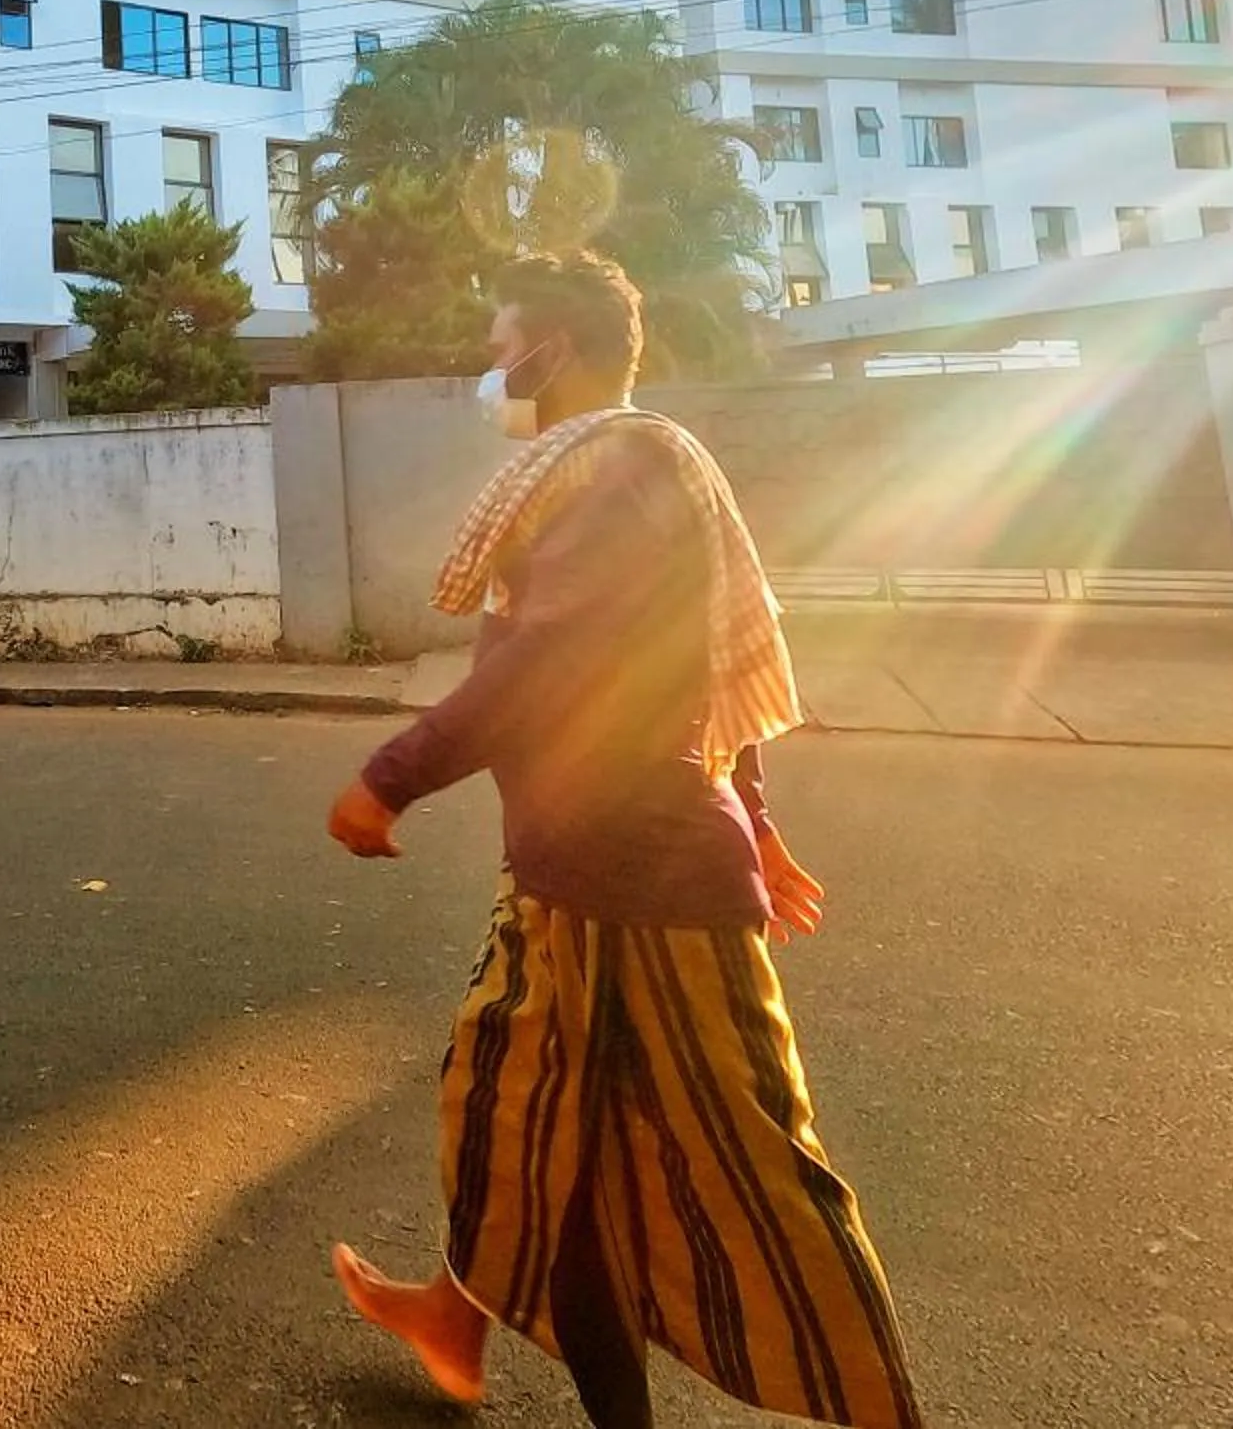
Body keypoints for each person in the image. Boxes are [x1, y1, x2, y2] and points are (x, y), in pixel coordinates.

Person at [327, 253, 923, 1429]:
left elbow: (552, 668)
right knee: (529, 1140)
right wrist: (756, 814)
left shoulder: (613, 476)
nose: (492, 371)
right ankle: (461, 1318)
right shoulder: (614, 471)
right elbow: (693, 664)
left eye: (501, 350)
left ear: (552, 350)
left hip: (645, 882)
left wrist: (387, 780)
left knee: (758, 1178)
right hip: (571, 876)